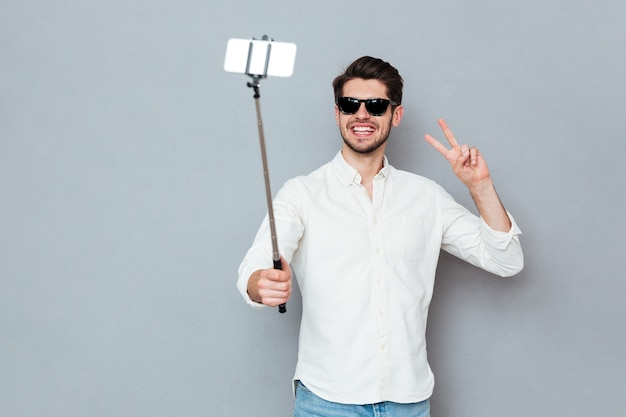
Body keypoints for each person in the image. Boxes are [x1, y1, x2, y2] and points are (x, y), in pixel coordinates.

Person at [237, 56, 523, 417]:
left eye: (375, 105)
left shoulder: (426, 196)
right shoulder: (302, 193)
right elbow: (258, 262)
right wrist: (260, 283)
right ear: (337, 112)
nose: (361, 115)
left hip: (408, 402)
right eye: (349, 104)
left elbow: (507, 260)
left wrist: (480, 188)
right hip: (326, 401)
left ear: (395, 115)